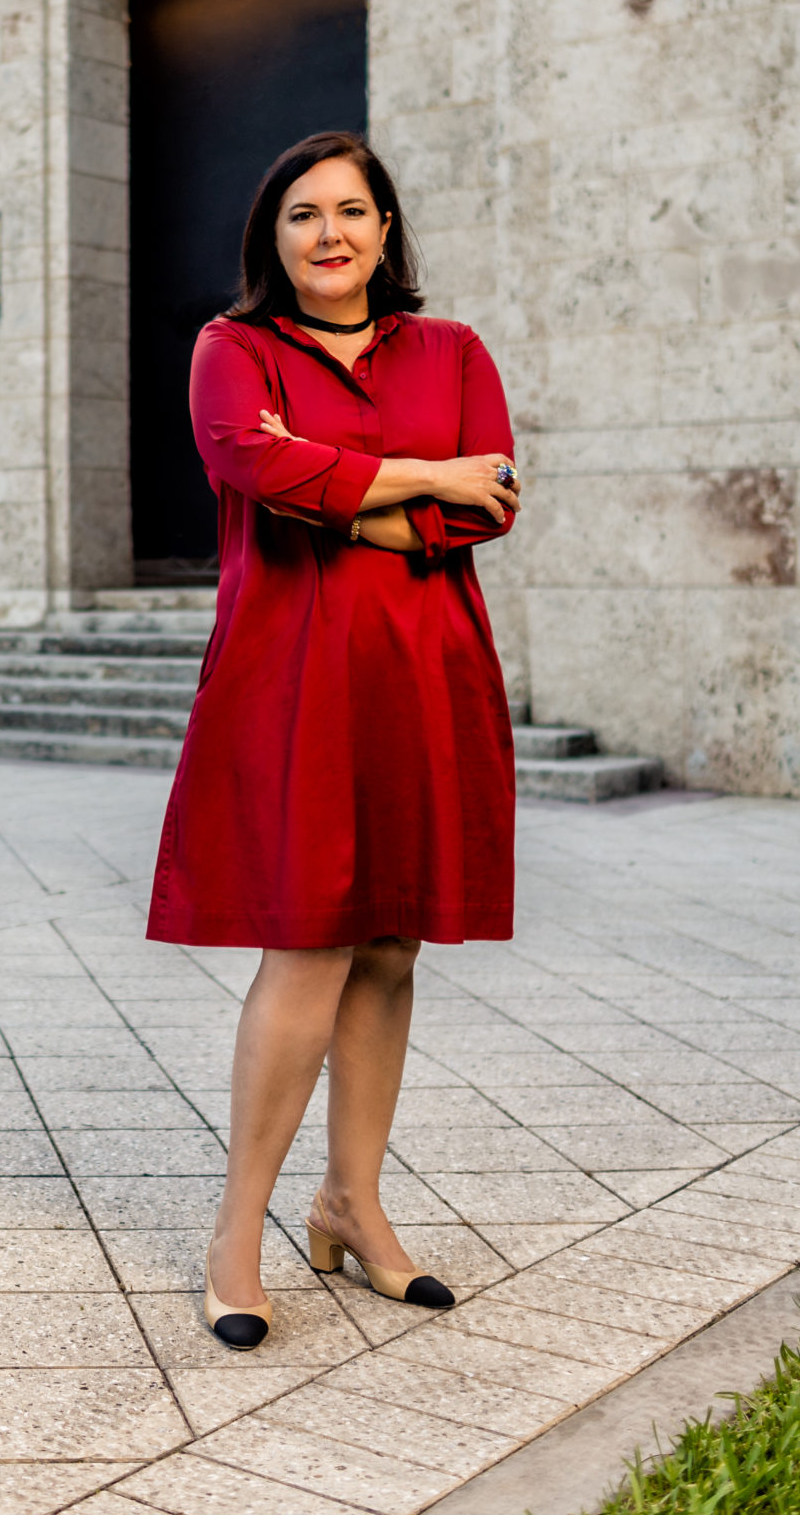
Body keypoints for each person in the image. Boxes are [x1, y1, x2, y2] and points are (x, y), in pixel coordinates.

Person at [145, 129, 520, 1350]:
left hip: (425, 675)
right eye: (303, 214)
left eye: (352, 210)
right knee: (307, 940)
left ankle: (352, 1201)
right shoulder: (231, 348)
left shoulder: (454, 350)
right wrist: (425, 481)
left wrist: (355, 489)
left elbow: (496, 498)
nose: (330, 233)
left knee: (393, 945)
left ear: (388, 229)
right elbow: (251, 462)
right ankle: (237, 1234)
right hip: (294, 674)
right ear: (273, 238)